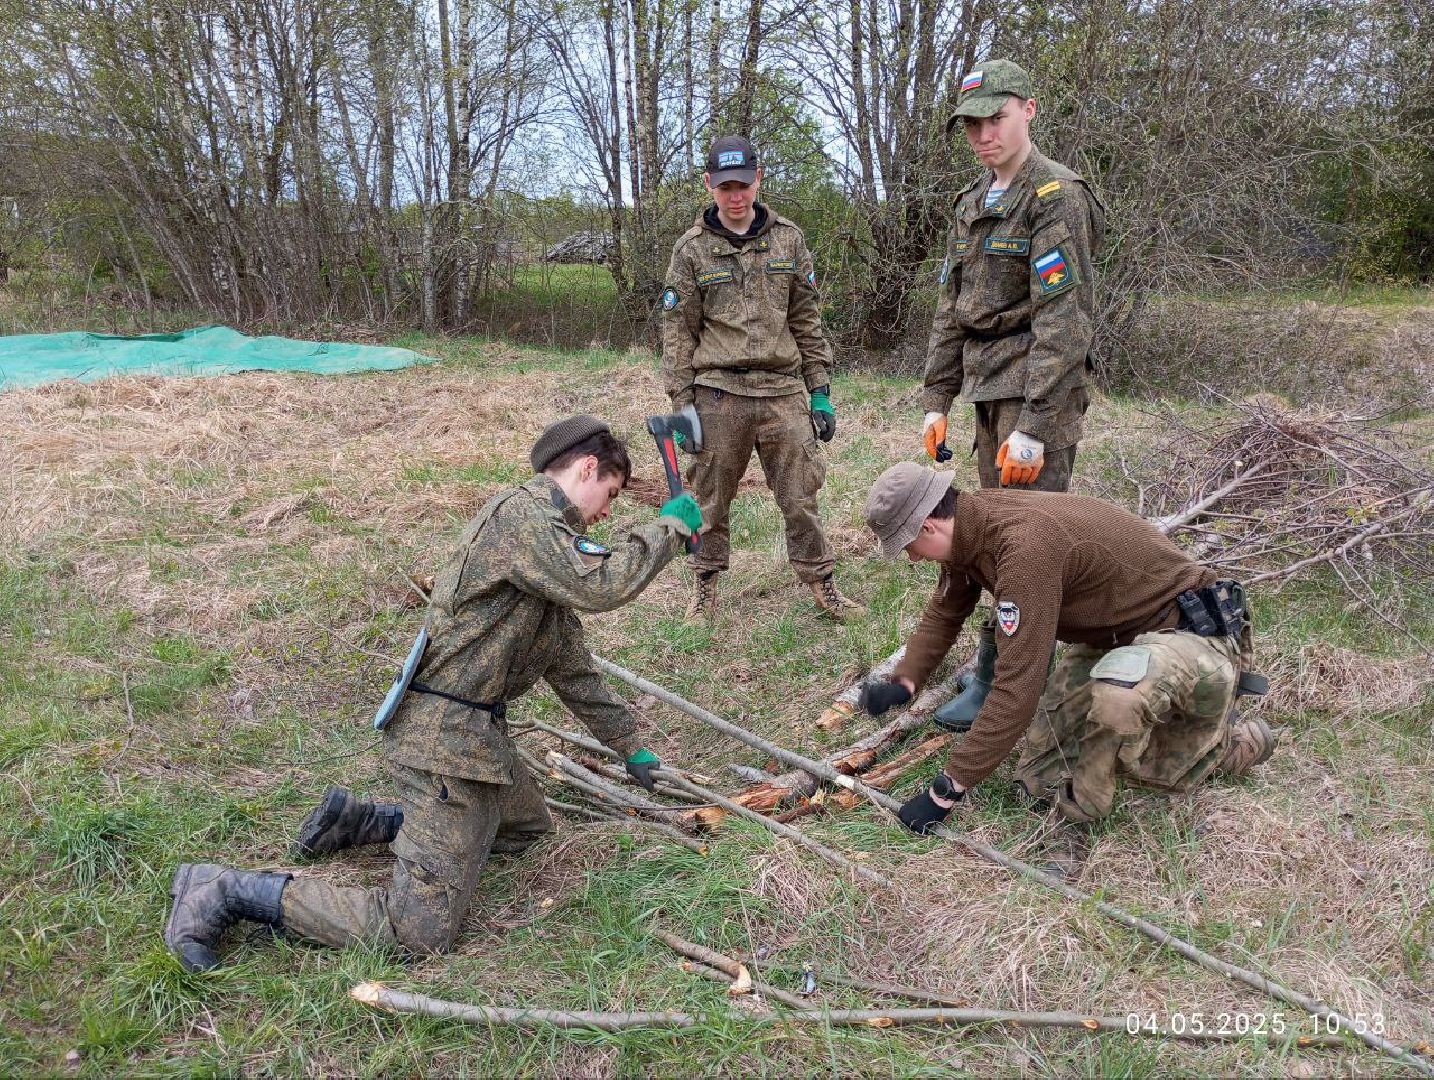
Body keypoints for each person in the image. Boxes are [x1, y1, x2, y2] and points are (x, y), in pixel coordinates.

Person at [164, 416, 704, 971]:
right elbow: (604, 584)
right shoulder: (522, 519)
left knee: (527, 829)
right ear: (588, 468)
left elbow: (571, 668)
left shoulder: (550, 549)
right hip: (443, 743)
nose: (608, 510)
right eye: (610, 494)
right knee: (418, 932)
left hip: (477, 739)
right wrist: (666, 531)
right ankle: (224, 888)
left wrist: (628, 744)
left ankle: (365, 822)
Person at [859, 462, 1273, 842]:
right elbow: (946, 609)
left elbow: (1017, 691)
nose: (911, 559)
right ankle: (1171, 733)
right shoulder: (970, 525)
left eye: (908, 546)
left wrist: (947, 789)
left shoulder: (1023, 550)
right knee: (1036, 780)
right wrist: (905, 680)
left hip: (1187, 631)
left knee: (1117, 706)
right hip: (1114, 633)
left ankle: (1220, 748)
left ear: (929, 526)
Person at [917, 58, 1107, 731]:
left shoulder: (1053, 195)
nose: (982, 133)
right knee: (995, 536)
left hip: (1036, 397)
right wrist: (937, 397)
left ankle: (1016, 686)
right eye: (970, 122)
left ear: (1029, 108)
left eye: (994, 117)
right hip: (987, 392)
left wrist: (1036, 422)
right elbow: (951, 309)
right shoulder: (973, 204)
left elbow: (1065, 319)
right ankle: (1000, 664)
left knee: (1029, 546)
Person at [661, 134, 862, 623]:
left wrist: (820, 393)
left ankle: (822, 584)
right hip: (718, 392)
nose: (736, 196)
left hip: (782, 391)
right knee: (706, 499)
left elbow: (807, 321)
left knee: (800, 493)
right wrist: (682, 404)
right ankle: (704, 589)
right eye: (726, 186)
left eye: (744, 185)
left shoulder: (788, 239)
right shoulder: (690, 251)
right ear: (709, 185)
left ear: (758, 180)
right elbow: (677, 334)